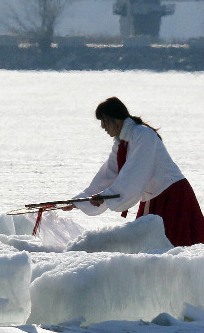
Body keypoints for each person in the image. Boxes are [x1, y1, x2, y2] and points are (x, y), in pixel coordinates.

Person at [68, 97, 204, 247]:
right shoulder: (122, 143)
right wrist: (79, 201)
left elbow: (135, 173)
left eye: (104, 121)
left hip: (172, 196)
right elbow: (108, 176)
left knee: (173, 249)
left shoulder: (143, 134)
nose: (103, 126)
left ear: (117, 120)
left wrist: (106, 197)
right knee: (152, 248)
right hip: (154, 198)